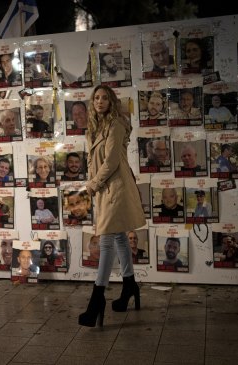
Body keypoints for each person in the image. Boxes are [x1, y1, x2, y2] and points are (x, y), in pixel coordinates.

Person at [79, 85, 146, 328]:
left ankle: (96, 301)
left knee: (106, 240)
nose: (99, 101)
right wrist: (93, 183)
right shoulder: (94, 127)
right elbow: (93, 161)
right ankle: (130, 285)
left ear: (111, 101)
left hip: (114, 189)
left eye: (104, 98)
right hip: (105, 189)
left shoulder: (116, 124)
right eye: (96, 98)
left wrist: (94, 184)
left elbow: (111, 161)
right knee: (118, 236)